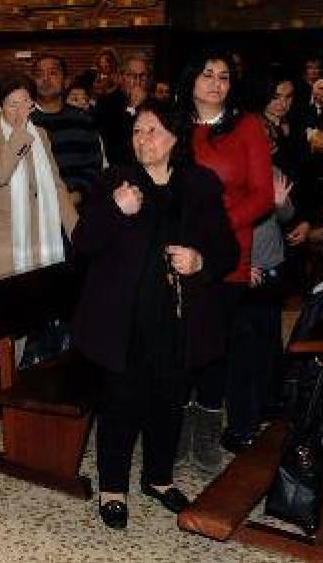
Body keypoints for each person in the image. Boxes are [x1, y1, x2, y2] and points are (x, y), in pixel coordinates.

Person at [73, 101, 238, 530]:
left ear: (174, 137)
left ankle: (158, 479)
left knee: (168, 399)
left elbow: (227, 251)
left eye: (151, 130)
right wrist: (114, 208)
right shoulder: (117, 181)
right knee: (121, 402)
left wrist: (200, 261)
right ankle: (112, 486)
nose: (141, 139)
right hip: (122, 319)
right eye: (137, 131)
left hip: (180, 317)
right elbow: (83, 241)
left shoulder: (200, 184)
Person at [174, 51, 274, 468]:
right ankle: (173, 431)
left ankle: (206, 438)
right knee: (178, 346)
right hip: (179, 254)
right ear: (191, 79)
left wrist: (213, 230)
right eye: (207, 74)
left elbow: (263, 195)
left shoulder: (247, 126)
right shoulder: (175, 125)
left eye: (224, 77)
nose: (216, 83)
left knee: (215, 349)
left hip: (228, 254)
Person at [0, 73, 79, 284]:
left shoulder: (40, 134)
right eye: (13, 105)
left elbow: (56, 186)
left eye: (25, 103)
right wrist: (19, 132)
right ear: (0, 106)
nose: (20, 111)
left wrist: (78, 233)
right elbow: (0, 174)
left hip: (38, 237)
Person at [31, 53, 105, 206]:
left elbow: (94, 168)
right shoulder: (24, 121)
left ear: (66, 81)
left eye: (52, 73)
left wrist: (76, 195)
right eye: (39, 74)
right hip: (33, 208)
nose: (45, 79)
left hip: (75, 208)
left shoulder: (83, 121)